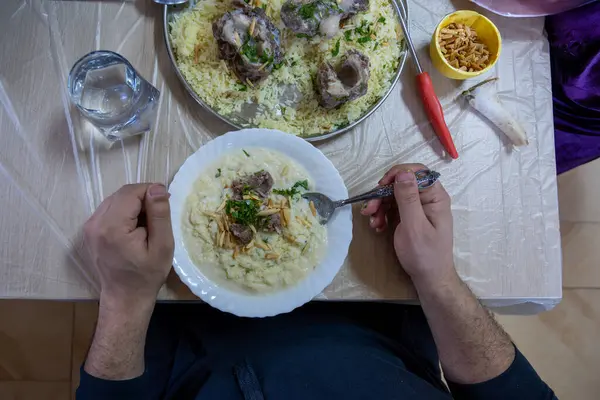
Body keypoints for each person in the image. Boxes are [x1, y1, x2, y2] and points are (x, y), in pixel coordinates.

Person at [76, 164, 557, 400]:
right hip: (381, 320)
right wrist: (437, 277)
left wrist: (124, 298)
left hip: (186, 325)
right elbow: (510, 393)